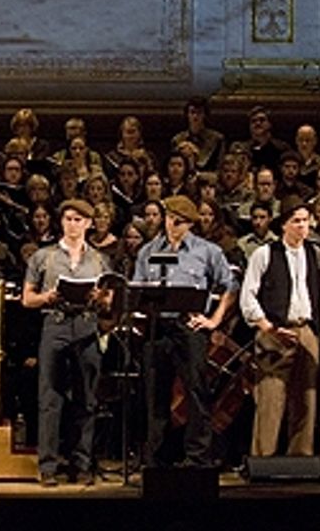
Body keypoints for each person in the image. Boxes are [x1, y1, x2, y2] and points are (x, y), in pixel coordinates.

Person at [133, 195, 237, 467]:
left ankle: (197, 456)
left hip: (188, 326)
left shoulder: (207, 251)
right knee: (156, 394)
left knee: (196, 391)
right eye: (169, 219)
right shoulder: (147, 251)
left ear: (190, 224)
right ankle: (156, 457)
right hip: (157, 326)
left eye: (179, 222)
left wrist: (213, 319)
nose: (172, 226)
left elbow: (230, 285)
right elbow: (137, 289)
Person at [22, 199, 114, 486]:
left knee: (87, 397)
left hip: (86, 325)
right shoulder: (44, 256)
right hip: (56, 324)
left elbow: (109, 301)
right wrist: (47, 297)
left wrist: (101, 299)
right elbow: (27, 298)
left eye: (78, 220)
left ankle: (82, 463)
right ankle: (48, 465)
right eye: (68, 219)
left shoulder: (99, 259)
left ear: (88, 223)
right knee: (50, 397)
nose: (72, 224)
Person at [241, 202, 320, 461]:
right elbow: (248, 296)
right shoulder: (265, 253)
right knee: (271, 396)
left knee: (306, 396)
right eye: (297, 221)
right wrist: (267, 326)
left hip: (305, 329)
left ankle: (301, 456)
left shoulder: (314, 253)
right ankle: (263, 458)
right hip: (275, 330)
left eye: (306, 221)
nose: (302, 226)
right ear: (285, 224)